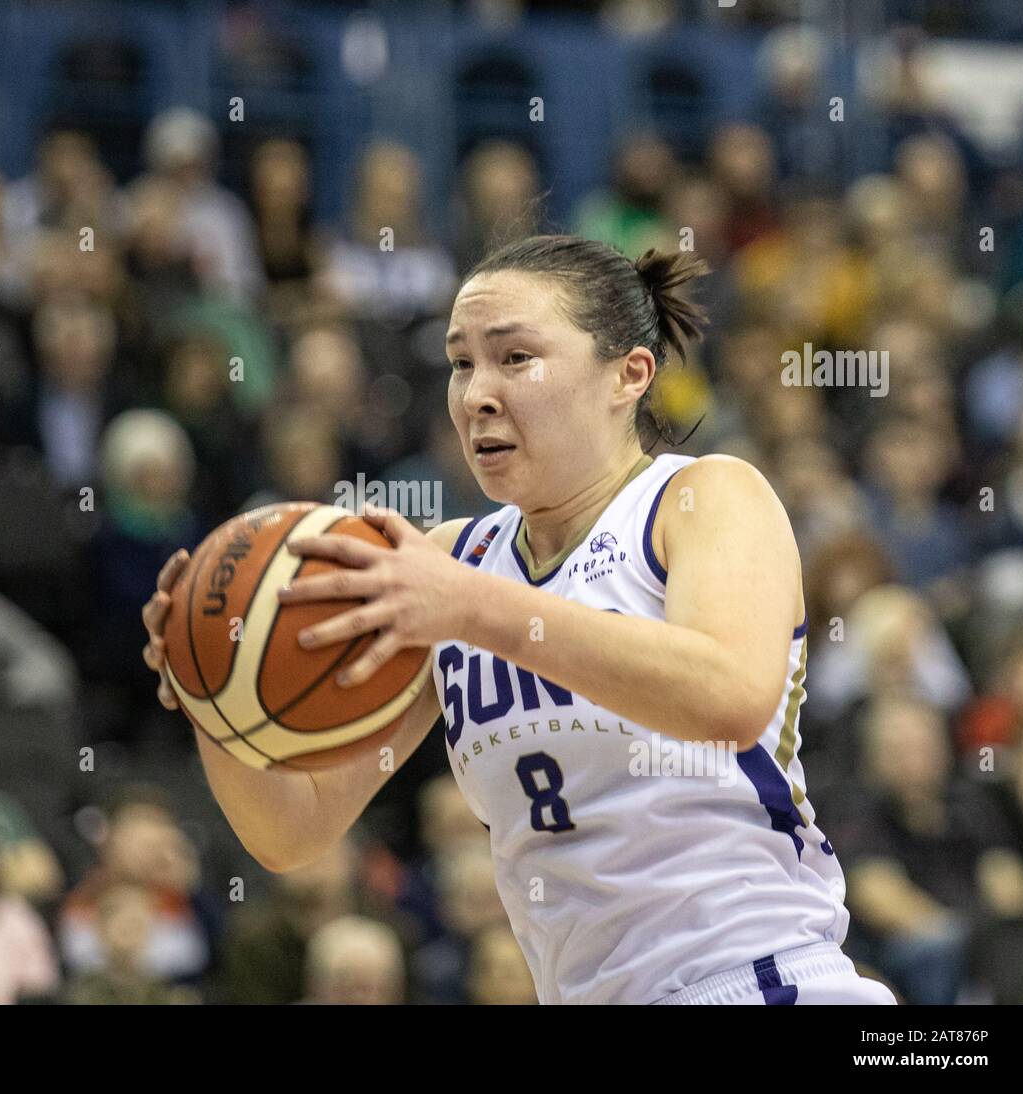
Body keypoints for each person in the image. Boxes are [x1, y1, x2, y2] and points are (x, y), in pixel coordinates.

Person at [143, 234, 895, 1005]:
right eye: (461, 362)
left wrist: (473, 607)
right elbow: (293, 831)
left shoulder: (701, 499)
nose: (476, 394)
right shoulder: (452, 562)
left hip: (756, 981)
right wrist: (210, 682)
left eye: (515, 358)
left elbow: (728, 697)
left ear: (628, 375)